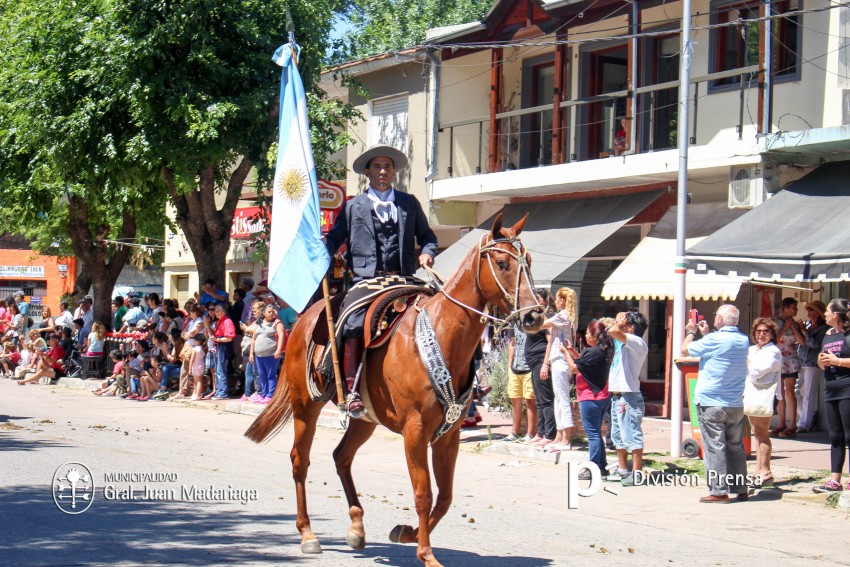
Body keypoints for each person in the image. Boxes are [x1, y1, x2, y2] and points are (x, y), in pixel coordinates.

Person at [324, 144, 438, 415]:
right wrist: (320, 252)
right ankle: (351, 391)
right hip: (366, 280)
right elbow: (333, 239)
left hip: (404, 279)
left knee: (445, 314)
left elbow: (428, 237)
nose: (383, 171)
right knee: (352, 323)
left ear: (394, 171)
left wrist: (427, 253)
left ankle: (465, 384)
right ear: (367, 172)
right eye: (377, 166)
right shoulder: (353, 206)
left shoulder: (409, 203)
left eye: (388, 166)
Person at [682, 304, 750, 503]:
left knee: (714, 447)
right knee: (735, 446)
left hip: (712, 401)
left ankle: (719, 490)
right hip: (735, 401)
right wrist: (707, 334)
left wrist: (691, 332)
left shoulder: (713, 339)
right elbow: (719, 350)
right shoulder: (743, 339)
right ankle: (741, 487)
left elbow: (685, 349)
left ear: (720, 319)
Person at [561, 319, 614, 477]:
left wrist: (564, 352)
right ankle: (601, 466)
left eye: (587, 333)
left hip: (590, 397)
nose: (584, 336)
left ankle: (593, 468)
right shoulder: (603, 351)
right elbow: (584, 363)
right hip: (602, 396)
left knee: (592, 435)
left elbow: (574, 368)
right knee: (596, 433)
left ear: (594, 335)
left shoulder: (592, 352)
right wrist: (572, 351)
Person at [607, 310, 649, 487]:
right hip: (618, 395)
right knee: (618, 436)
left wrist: (620, 323)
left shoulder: (638, 342)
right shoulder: (625, 344)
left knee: (632, 435)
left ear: (631, 328)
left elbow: (613, 331)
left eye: (625, 322)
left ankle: (637, 473)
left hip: (629, 396)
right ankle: (622, 469)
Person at [813, 298, 850, 493]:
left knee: (849, 435)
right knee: (835, 435)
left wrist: (837, 361)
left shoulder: (848, 334)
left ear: (835, 314)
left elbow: (840, 360)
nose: (825, 314)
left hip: (847, 388)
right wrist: (823, 361)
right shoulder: (828, 335)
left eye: (827, 311)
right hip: (830, 388)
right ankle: (835, 480)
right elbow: (823, 364)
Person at [537, 287, 577, 452]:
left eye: (558, 299)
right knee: (559, 399)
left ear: (563, 300)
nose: (556, 302)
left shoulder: (563, 315)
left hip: (561, 360)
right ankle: (560, 436)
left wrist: (541, 312)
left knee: (562, 399)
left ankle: (566, 439)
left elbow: (541, 325)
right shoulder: (567, 315)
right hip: (558, 360)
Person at [745, 318, 782, 486]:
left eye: (765, 331)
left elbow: (756, 372)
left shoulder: (773, 351)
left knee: (762, 433)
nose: (761, 334)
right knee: (756, 432)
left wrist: (747, 363)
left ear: (772, 334)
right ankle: (757, 470)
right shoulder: (752, 349)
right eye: (758, 331)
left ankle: (765, 471)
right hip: (752, 394)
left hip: (767, 395)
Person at [525, 289, 556, 448]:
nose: (534, 301)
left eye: (537, 298)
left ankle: (549, 435)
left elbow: (550, 341)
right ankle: (540, 432)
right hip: (533, 362)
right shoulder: (535, 316)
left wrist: (545, 364)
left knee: (546, 399)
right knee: (539, 400)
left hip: (540, 361)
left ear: (544, 301)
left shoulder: (547, 317)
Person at [772, 297, 806, 438]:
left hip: (791, 359)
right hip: (778, 359)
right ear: (785, 308)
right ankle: (781, 423)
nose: (795, 310)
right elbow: (774, 339)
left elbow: (802, 341)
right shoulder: (775, 322)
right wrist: (785, 327)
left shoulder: (795, 323)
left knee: (790, 391)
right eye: (793, 307)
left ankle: (792, 423)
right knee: (779, 392)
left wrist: (793, 327)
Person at [502, 322, 537, 442]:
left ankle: (531, 433)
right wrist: (509, 365)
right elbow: (512, 343)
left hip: (529, 367)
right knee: (515, 399)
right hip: (515, 367)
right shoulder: (515, 322)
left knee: (530, 400)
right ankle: (515, 431)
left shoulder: (534, 321)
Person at [798, 300, 828, 432]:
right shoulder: (809, 325)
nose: (808, 313)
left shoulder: (824, 329)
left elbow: (815, 344)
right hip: (803, 361)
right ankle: (805, 416)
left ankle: (805, 423)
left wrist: (805, 332)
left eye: (811, 310)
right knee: (794, 390)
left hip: (814, 363)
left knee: (809, 394)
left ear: (817, 313)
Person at [250, 304, 286, 404]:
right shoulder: (259, 323)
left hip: (271, 355)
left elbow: (281, 336)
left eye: (272, 312)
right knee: (262, 375)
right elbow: (253, 339)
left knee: (271, 375)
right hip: (259, 355)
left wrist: (278, 350)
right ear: (264, 313)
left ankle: (271, 395)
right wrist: (251, 353)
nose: (271, 313)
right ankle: (263, 394)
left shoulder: (277, 323)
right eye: (269, 312)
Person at [210, 304, 236, 400]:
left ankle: (222, 392)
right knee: (218, 370)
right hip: (219, 345)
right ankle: (219, 391)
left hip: (223, 346)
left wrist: (217, 339)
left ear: (223, 311)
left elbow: (229, 338)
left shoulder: (227, 321)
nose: (215, 313)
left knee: (221, 369)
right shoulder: (220, 321)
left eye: (217, 311)